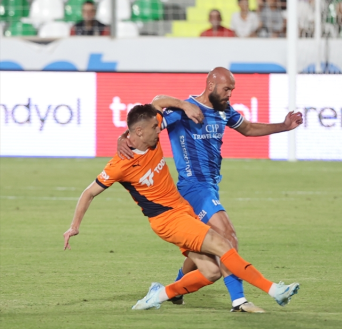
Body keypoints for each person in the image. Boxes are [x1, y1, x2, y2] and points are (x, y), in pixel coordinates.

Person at [63, 103, 300, 311]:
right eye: (156, 128)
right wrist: (74, 226)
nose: (160, 129)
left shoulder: (149, 134)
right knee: (222, 244)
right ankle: (273, 291)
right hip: (167, 220)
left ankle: (159, 294)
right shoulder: (120, 164)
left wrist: (184, 106)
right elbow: (89, 193)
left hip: (182, 209)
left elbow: (159, 102)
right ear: (139, 132)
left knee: (211, 272)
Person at [117, 67, 304, 313]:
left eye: (232, 90)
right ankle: (239, 300)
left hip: (211, 186)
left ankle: (175, 287)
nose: (230, 94)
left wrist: (283, 126)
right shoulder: (182, 112)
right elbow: (151, 116)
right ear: (211, 85)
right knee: (228, 236)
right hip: (193, 187)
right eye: (227, 89)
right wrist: (124, 137)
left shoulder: (224, 111)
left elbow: (247, 128)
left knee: (203, 250)